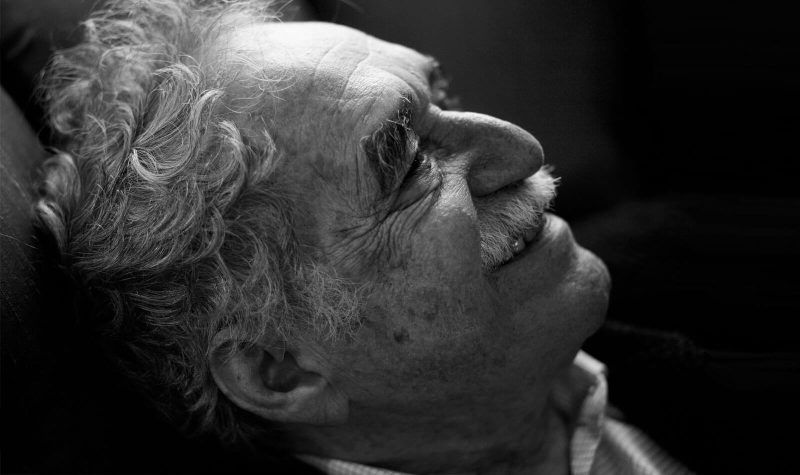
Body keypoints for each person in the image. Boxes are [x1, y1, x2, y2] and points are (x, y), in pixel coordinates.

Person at [34, 1, 689, 473]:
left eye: (445, 98)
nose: (522, 149)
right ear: (279, 370)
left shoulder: (677, 256)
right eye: (410, 167)